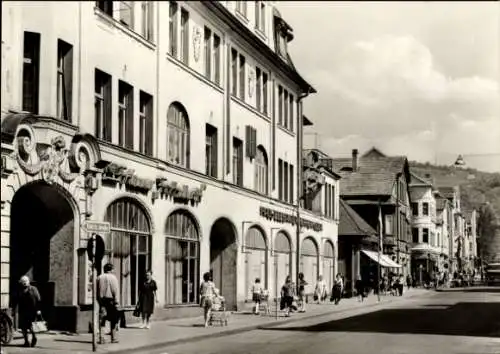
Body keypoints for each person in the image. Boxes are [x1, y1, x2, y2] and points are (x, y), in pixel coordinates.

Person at [13, 276, 41, 347]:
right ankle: (26, 341)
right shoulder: (19, 290)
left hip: (32, 310)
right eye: (23, 282)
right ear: (21, 283)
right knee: (23, 327)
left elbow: (38, 300)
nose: (24, 283)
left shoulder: (33, 289)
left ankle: (34, 337)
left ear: (28, 282)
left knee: (31, 326)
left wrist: (38, 309)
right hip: (23, 311)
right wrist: (14, 309)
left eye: (26, 281)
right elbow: (16, 300)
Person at [97, 263, 120, 343]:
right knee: (113, 319)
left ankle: (101, 338)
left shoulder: (99, 277)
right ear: (111, 269)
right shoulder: (113, 278)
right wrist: (116, 301)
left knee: (102, 319)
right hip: (111, 301)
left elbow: (96, 290)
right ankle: (113, 338)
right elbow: (115, 290)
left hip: (102, 301)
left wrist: (99, 300)